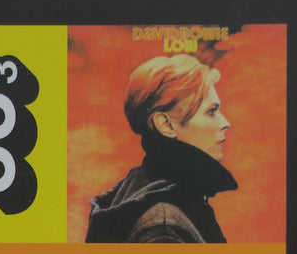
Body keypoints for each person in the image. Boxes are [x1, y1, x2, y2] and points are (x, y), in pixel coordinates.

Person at [85, 53, 237, 243]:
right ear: (166, 124)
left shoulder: (159, 193)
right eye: (211, 111)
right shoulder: (163, 228)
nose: (226, 123)